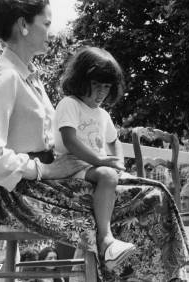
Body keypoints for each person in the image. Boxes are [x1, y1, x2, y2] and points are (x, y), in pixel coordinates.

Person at [0, 0, 189, 281]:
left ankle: (121, 262)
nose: (51, 31)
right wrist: (44, 170)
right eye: (46, 24)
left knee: (148, 190)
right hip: (26, 194)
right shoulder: (5, 76)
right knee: (151, 196)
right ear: (23, 25)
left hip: (51, 184)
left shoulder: (27, 75)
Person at [52, 46, 136, 271]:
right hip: (71, 165)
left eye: (106, 87)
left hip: (93, 167)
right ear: (81, 80)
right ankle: (105, 239)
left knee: (122, 180)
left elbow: (114, 141)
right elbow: (69, 140)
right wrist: (102, 163)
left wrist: (119, 163)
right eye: (96, 85)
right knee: (108, 176)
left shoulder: (103, 114)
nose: (101, 93)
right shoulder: (70, 104)